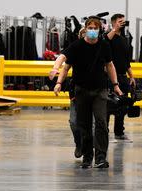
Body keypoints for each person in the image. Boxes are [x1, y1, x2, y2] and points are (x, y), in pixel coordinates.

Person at [55, 17, 123, 169]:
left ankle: (100, 157)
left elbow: (110, 65)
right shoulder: (77, 45)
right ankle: (87, 156)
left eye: (95, 28)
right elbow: (63, 58)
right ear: (85, 29)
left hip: (100, 90)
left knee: (101, 122)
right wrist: (57, 74)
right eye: (90, 27)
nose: (92, 30)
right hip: (81, 90)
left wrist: (116, 85)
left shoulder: (104, 45)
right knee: (83, 125)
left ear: (99, 30)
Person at [107, 14, 136, 142]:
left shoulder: (124, 39)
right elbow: (105, 40)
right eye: (120, 21)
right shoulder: (109, 37)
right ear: (113, 23)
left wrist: (131, 76)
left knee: (123, 105)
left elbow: (126, 61)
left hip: (122, 77)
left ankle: (119, 132)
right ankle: (104, 131)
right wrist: (114, 29)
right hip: (110, 77)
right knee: (108, 105)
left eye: (123, 22)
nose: (122, 24)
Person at [49, 49, 82, 157]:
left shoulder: (100, 48)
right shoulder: (76, 49)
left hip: (95, 91)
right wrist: (58, 82)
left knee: (93, 124)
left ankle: (90, 149)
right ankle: (79, 144)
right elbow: (64, 63)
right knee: (74, 122)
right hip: (76, 92)